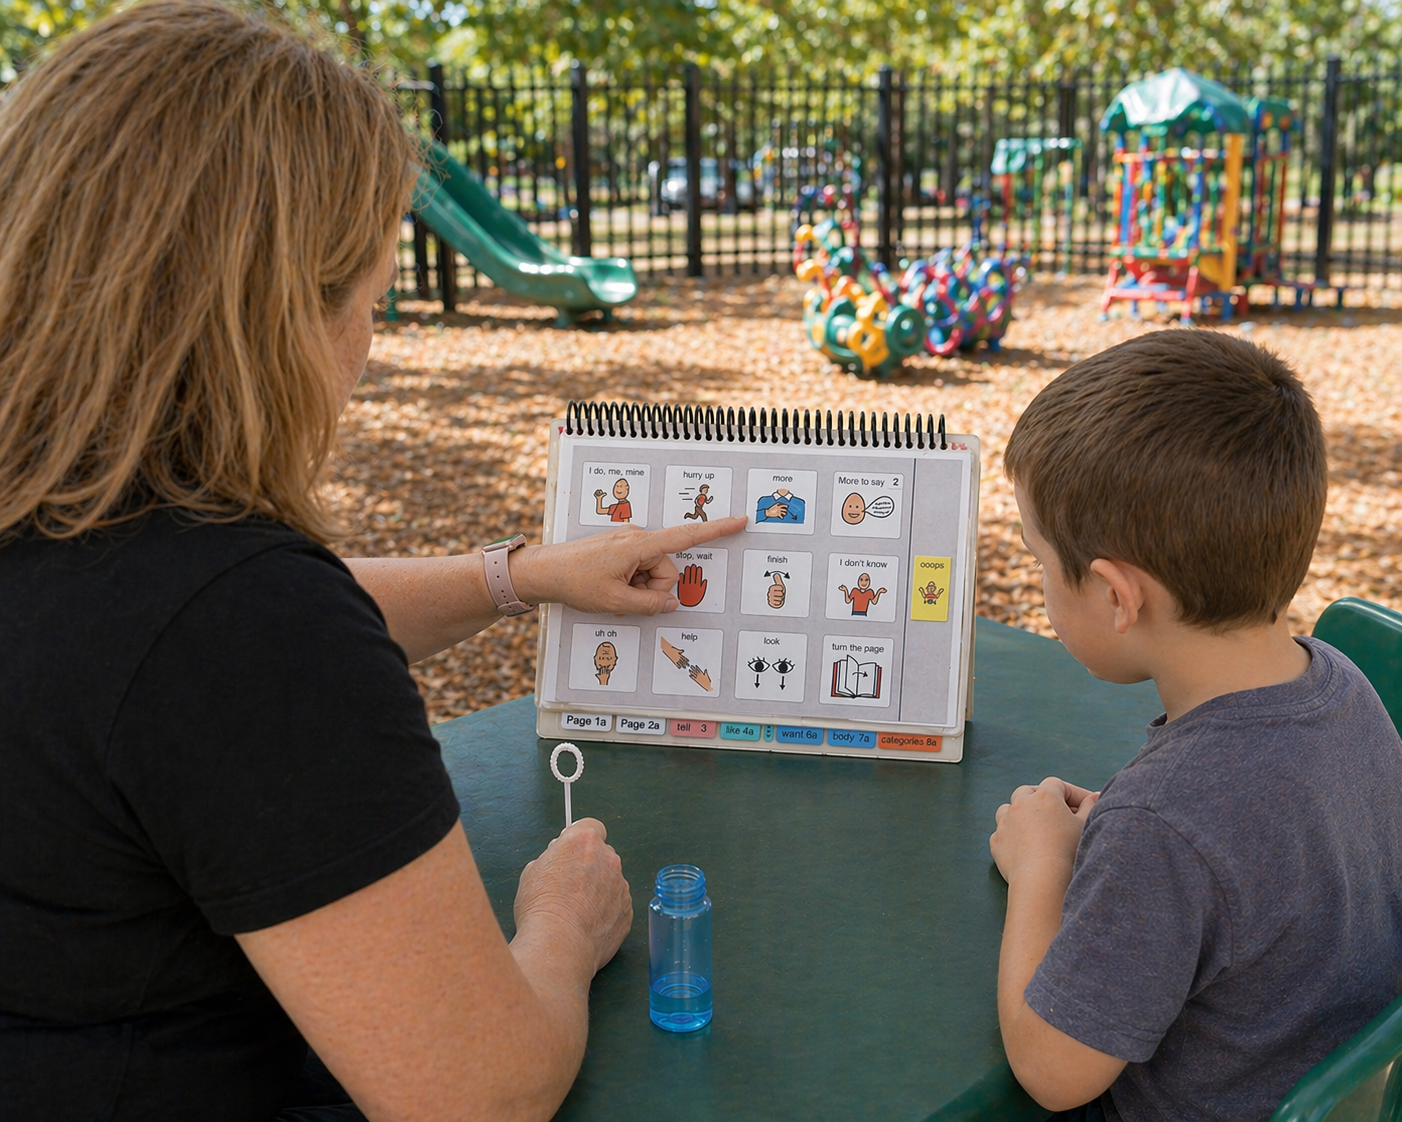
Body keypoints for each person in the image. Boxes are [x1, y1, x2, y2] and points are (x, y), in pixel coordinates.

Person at [0, 5, 744, 1121]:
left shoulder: (80, 531)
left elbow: (157, 656)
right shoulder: (232, 623)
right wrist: (561, 923)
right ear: (281, 311)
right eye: (373, 293)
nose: (370, 340)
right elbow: (478, 1091)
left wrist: (520, 576)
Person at [989, 330, 1402, 1122]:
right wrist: (1115, 839)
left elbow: (1052, 1068)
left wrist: (1042, 868)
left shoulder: (1165, 823)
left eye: (1041, 562)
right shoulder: (1342, 684)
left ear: (1116, 596)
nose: (1041, 581)